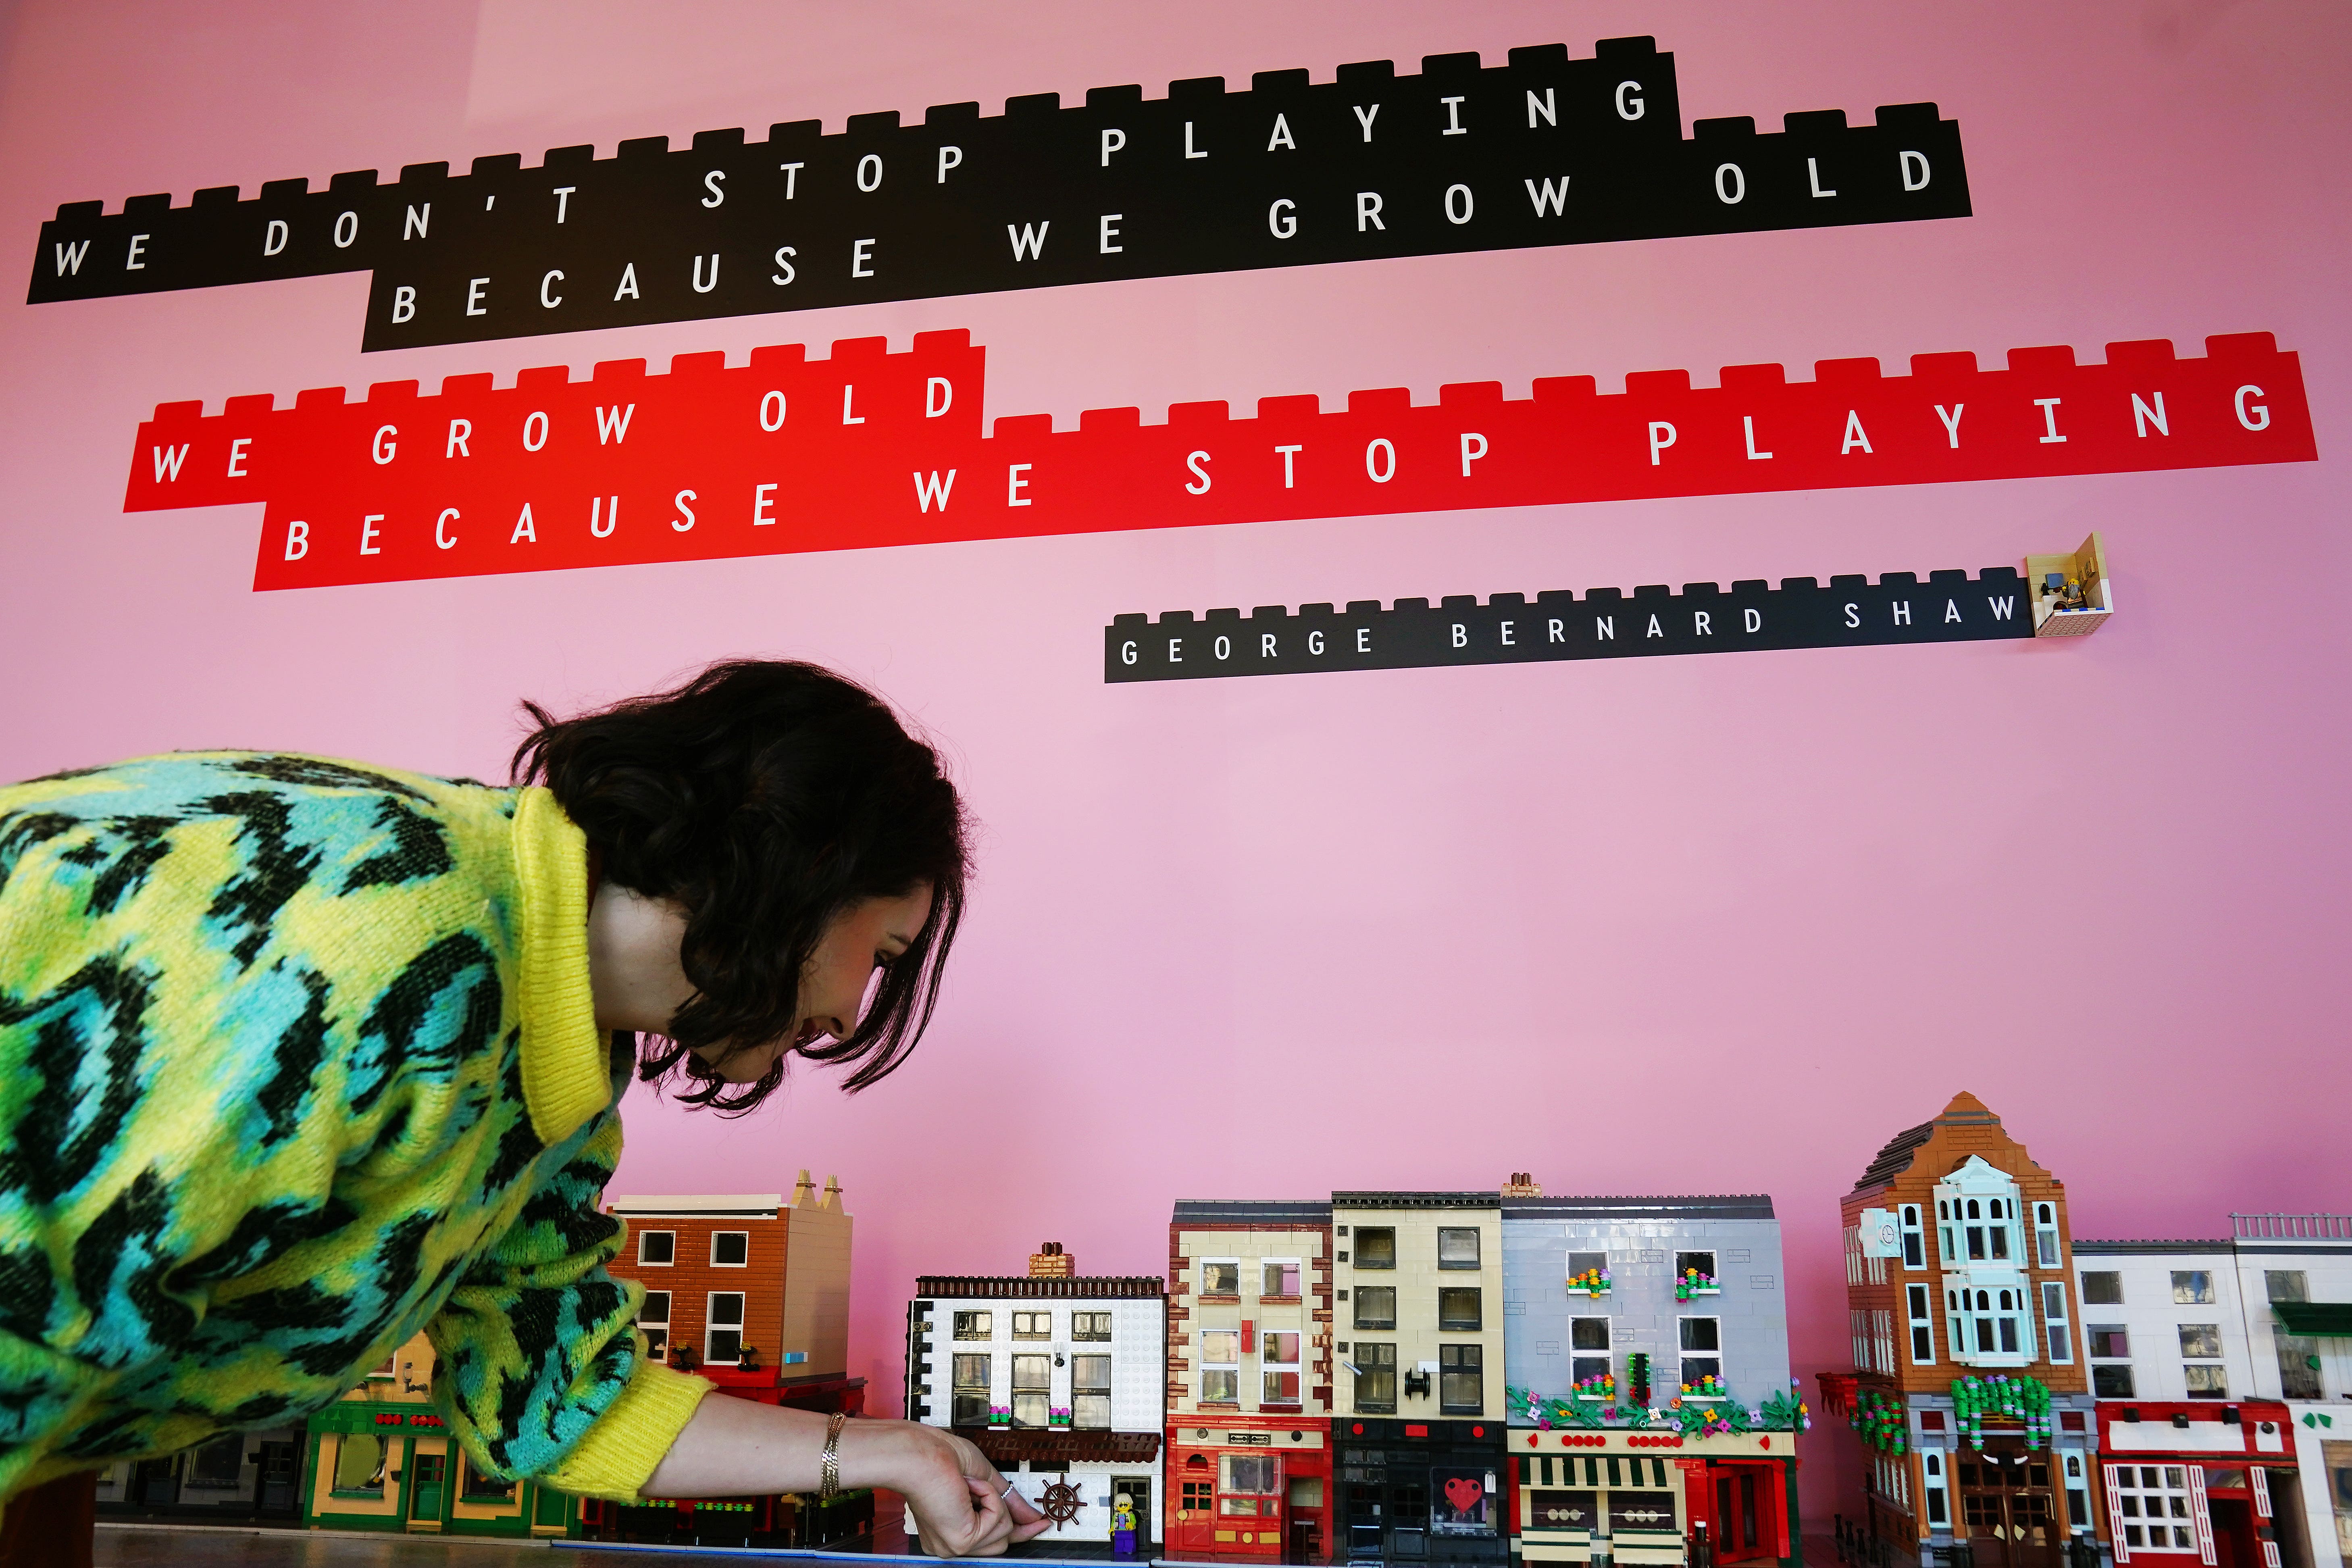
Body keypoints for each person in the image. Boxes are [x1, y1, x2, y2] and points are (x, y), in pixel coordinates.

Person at [0, 659, 1049, 1563]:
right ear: (804, 869)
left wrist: (886, 1452)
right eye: (884, 953)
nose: (847, 1011)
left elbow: (554, 1401)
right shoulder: (386, 918)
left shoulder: (553, 1083)